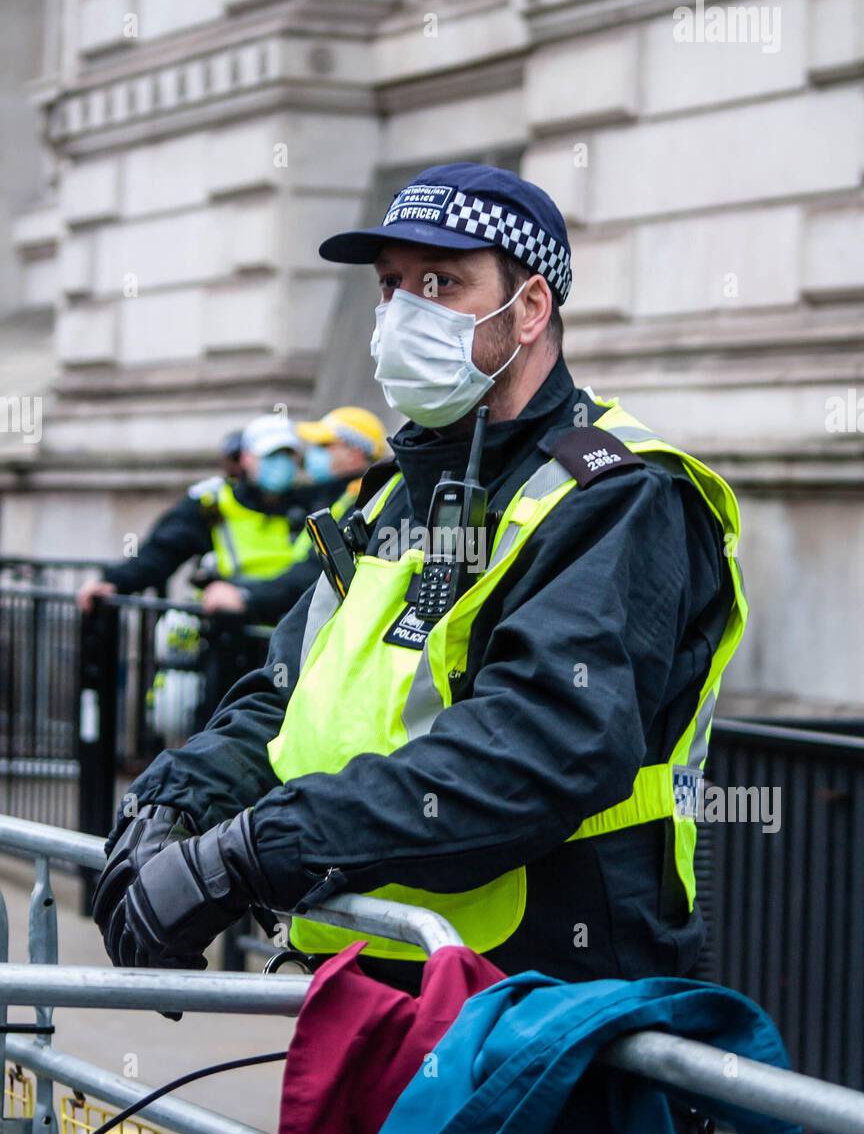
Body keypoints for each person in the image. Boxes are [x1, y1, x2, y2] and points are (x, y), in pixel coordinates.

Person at [93, 161, 747, 1011]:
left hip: (545, 1006)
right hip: (371, 985)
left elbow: (539, 747)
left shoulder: (617, 491)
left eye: (442, 283)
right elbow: (288, 693)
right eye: (393, 285)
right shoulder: (398, 488)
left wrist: (253, 853)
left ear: (531, 309)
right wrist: (175, 803)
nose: (405, 312)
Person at [76, 415, 316, 621]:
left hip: (288, 625)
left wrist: (249, 595)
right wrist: (116, 581)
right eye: (271, 454)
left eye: (288, 455)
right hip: (227, 628)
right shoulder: (212, 502)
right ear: (246, 458)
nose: (280, 464)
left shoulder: (312, 505)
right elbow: (164, 549)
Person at [240, 406, 389, 625]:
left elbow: (315, 573)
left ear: (354, 454)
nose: (312, 454)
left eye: (323, 446)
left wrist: (247, 595)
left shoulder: (362, 501)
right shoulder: (340, 495)